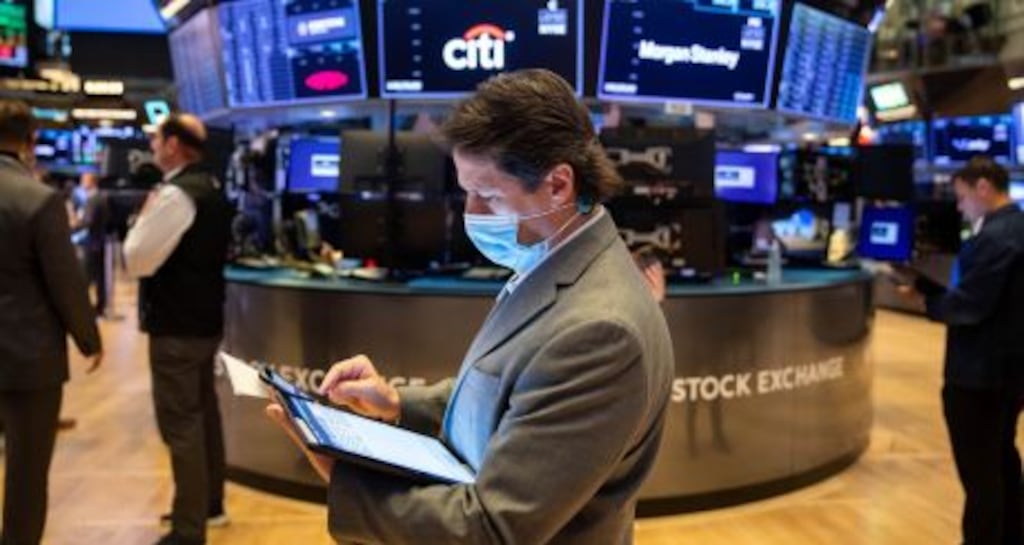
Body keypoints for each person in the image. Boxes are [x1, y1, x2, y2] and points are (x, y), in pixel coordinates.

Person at [267, 69, 675, 544]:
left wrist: (345, 480)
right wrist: (400, 404)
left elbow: (492, 529)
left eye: (487, 194)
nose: (472, 213)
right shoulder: (558, 265)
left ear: (559, 185)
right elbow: (512, 396)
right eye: (467, 192)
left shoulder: (602, 330)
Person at [897, 156, 1024, 545]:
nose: (959, 206)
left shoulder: (993, 239)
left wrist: (927, 300)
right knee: (1002, 458)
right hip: (1012, 371)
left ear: (984, 187)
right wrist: (935, 292)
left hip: (978, 376)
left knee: (980, 475)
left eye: (963, 197)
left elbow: (968, 307)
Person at [124, 114, 233, 545]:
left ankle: (189, 530)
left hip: (175, 327)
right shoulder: (213, 188)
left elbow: (136, 259)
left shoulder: (175, 195)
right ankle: (210, 504)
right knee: (204, 415)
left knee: (181, 424)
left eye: (156, 138)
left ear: (172, 145)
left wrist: (143, 215)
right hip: (205, 322)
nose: (151, 145)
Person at [0, 99, 103, 545]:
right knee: (26, 473)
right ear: (30, 141)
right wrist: (88, 338)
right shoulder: (40, 200)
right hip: (29, 359)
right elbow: (65, 280)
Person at [72, 172, 110, 317]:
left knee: (86, 277)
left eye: (84, 180)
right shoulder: (100, 197)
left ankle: (84, 309)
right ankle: (99, 306)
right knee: (99, 277)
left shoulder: (93, 199)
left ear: (92, 182)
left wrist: (71, 227)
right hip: (98, 242)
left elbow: (87, 222)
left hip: (91, 243)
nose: (82, 183)